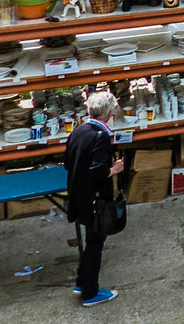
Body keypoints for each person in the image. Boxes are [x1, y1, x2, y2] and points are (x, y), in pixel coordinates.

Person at [65, 90, 125, 307]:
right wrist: (115, 169)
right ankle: (90, 293)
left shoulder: (78, 131)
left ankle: (82, 281)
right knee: (95, 244)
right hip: (95, 201)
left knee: (90, 241)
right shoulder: (100, 137)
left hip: (78, 197)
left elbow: (67, 162)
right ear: (109, 114)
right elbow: (98, 171)